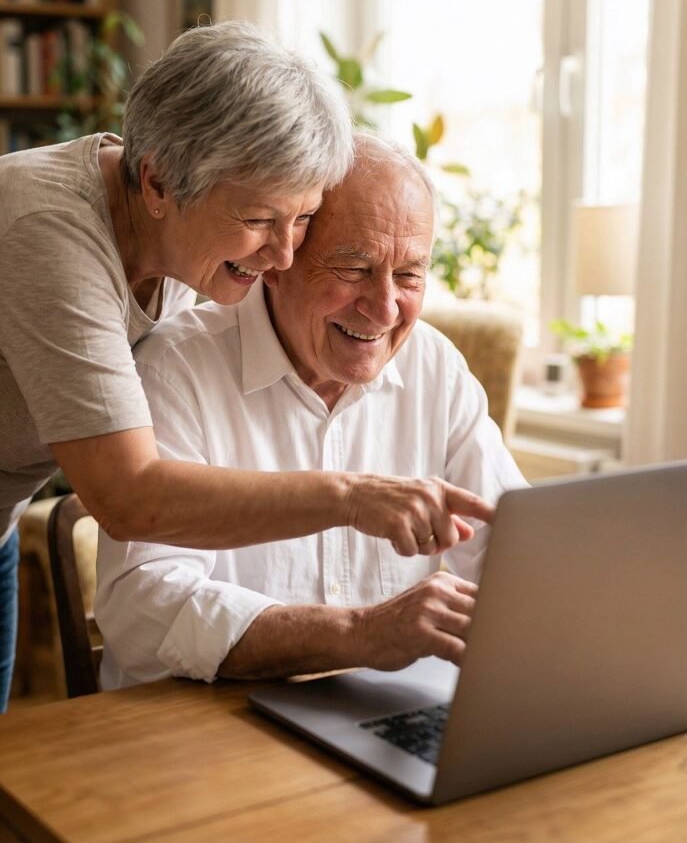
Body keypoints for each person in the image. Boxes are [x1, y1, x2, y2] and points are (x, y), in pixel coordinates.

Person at [0, 22, 489, 711]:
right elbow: (128, 498)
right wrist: (351, 499)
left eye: (302, 219)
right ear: (158, 183)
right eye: (261, 220)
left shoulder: (180, 239)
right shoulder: (49, 235)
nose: (283, 255)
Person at [96, 133, 526, 689]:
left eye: (409, 274)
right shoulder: (175, 368)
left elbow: (514, 551)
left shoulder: (434, 366)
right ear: (276, 259)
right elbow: (143, 610)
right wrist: (358, 633)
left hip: (377, 713)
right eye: (354, 269)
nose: (385, 309)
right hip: (206, 720)